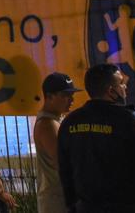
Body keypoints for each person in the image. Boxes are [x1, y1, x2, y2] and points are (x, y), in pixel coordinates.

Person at [58, 63, 135, 213]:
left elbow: (65, 172)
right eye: (121, 84)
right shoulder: (131, 120)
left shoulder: (70, 123)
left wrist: (73, 207)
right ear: (111, 91)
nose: (125, 88)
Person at [32, 72, 79, 213]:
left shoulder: (56, 120)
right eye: (65, 96)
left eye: (72, 95)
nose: (71, 100)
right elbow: (63, 163)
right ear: (50, 97)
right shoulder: (48, 124)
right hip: (57, 200)